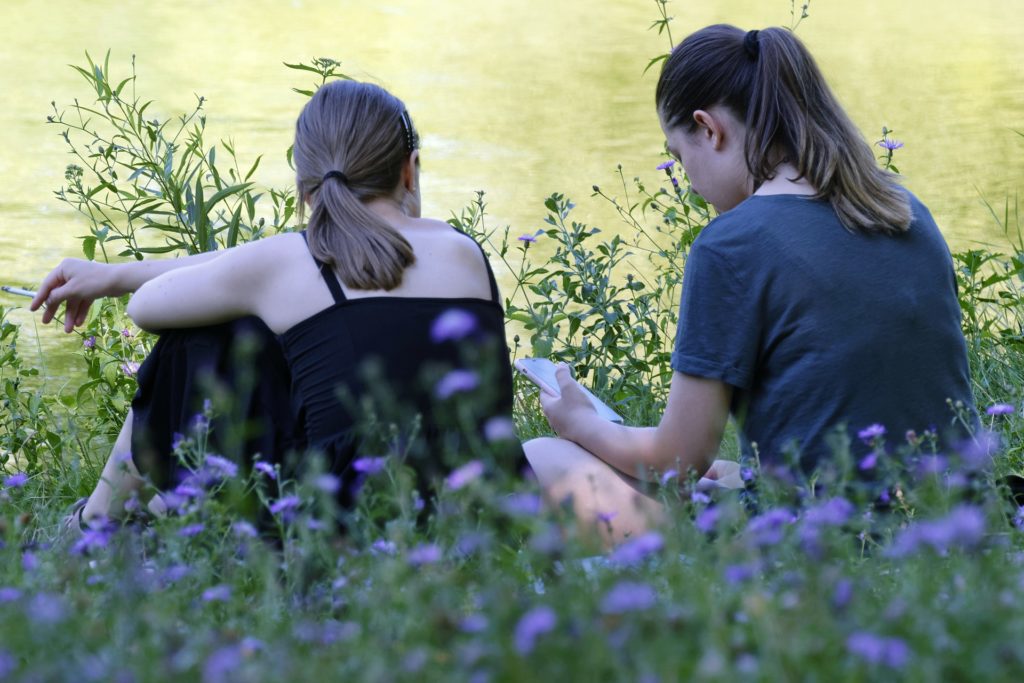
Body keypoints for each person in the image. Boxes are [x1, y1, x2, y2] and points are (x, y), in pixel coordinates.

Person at [525, 24, 976, 541]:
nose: (691, 186)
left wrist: (582, 424)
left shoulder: (732, 244)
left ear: (708, 129)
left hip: (828, 540)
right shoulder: (904, 208)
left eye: (679, 157)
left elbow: (677, 462)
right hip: (953, 514)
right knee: (726, 473)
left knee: (543, 458)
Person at [33, 80, 523, 527]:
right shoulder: (465, 252)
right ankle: (157, 511)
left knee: (199, 336)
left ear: (304, 189)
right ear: (409, 170)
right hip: (476, 512)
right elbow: (262, 267)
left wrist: (119, 279)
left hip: (343, 530)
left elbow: (146, 308)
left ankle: (97, 523)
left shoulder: (286, 263)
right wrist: (115, 276)